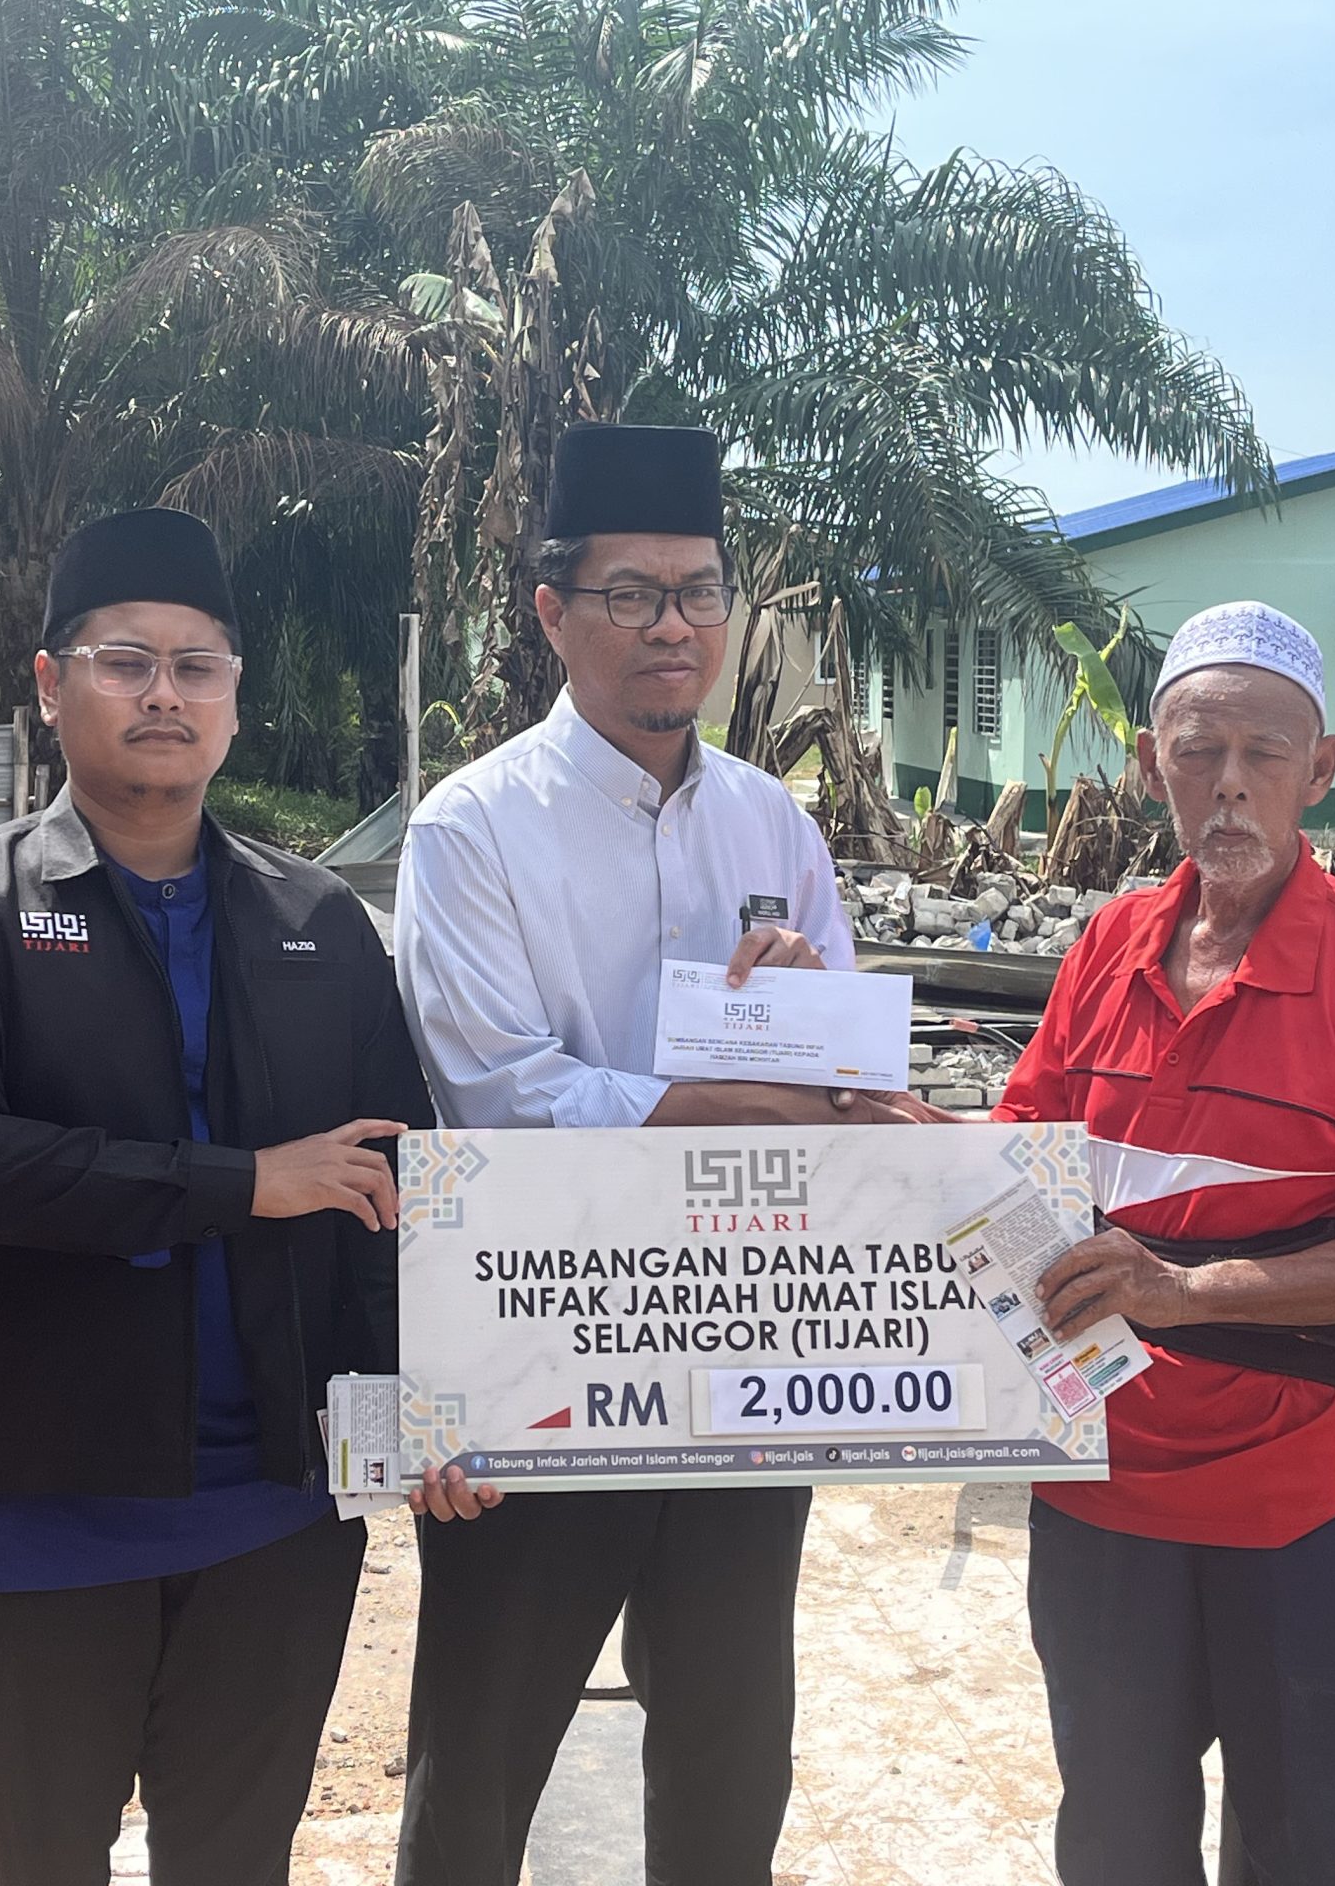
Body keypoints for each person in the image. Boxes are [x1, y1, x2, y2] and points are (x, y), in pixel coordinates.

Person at [0, 508, 438, 1885]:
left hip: (275, 1522)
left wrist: (417, 1415)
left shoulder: (315, 920)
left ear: (234, 696)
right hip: (39, 1513)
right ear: (52, 687)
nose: (163, 693)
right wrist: (245, 1184)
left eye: (197, 665)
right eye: (125, 661)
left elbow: (395, 1195)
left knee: (234, 1861)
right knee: (36, 1860)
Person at [391, 423, 938, 1886]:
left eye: (698, 591)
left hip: (743, 1341)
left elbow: (845, 1100)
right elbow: (507, 1101)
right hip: (544, 1345)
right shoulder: (472, 830)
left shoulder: (772, 823)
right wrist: (747, 1096)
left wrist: (799, 1041)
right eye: (629, 594)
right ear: (551, 609)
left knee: (728, 1744)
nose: (672, 626)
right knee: (482, 1748)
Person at [994, 601, 1335, 1886]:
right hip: (1095, 1487)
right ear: (1147, 763)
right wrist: (828, 1086)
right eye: (1197, 750)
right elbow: (1005, 1169)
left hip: (1301, 1495)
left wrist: (1184, 1289)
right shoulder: (1106, 946)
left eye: (1264, 755)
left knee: (1310, 1847)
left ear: (1316, 771)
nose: (1228, 784)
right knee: (1114, 1840)